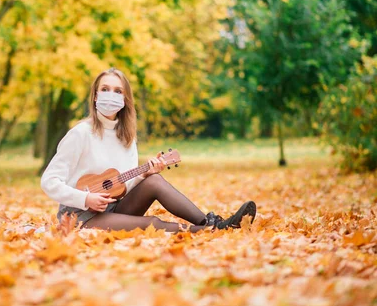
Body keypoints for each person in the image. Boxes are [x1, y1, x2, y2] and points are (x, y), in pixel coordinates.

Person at [40, 67, 256, 232]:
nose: (110, 95)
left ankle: (211, 222)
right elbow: (49, 181)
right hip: (80, 216)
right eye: (104, 89)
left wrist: (144, 174)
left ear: (124, 100)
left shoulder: (126, 137)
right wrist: (84, 199)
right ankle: (208, 232)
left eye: (117, 91)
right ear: (95, 96)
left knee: (154, 181)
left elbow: (120, 185)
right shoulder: (80, 133)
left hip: (113, 208)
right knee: (152, 222)